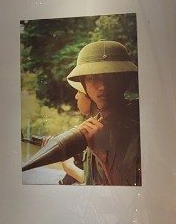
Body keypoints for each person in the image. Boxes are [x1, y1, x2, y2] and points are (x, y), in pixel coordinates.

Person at [61, 41, 142, 186]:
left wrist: (104, 155)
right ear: (84, 84)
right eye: (93, 78)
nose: (103, 86)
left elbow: (131, 191)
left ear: (124, 81)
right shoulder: (95, 125)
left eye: (111, 77)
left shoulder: (139, 126)